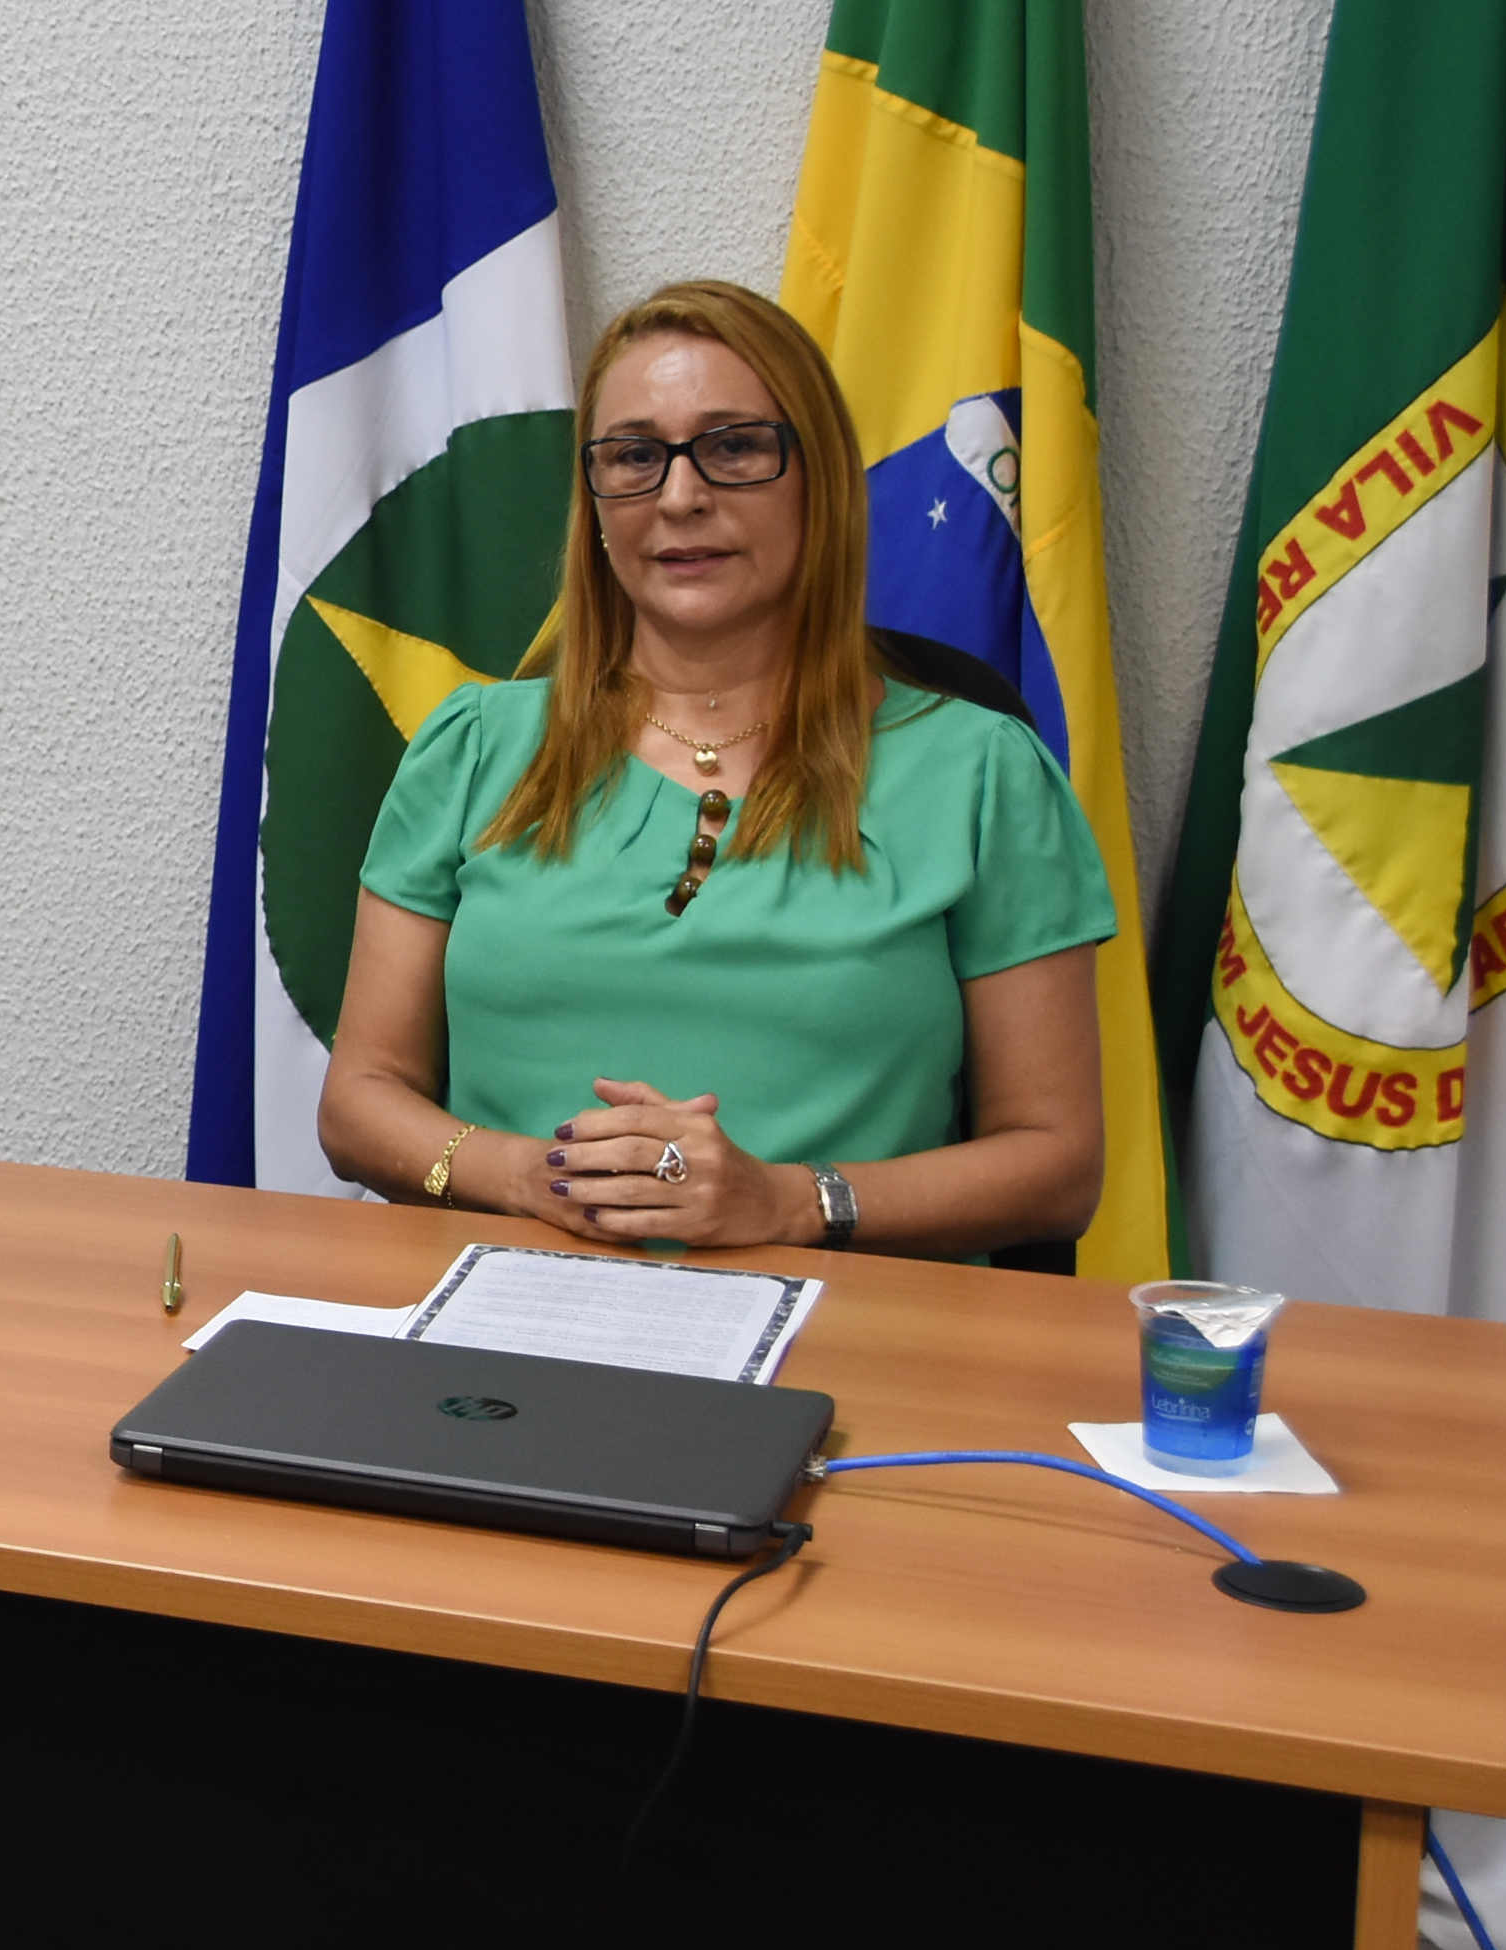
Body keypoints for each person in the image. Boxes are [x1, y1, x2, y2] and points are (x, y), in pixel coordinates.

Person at [312, 279, 1107, 1257]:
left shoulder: (983, 775)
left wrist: (790, 1202)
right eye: (633, 456)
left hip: (850, 1322)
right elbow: (359, 1102)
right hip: (514, 1312)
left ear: (818, 479)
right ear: (594, 501)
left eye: (733, 448)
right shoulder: (473, 749)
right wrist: (525, 1177)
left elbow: (1056, 1165)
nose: (680, 496)